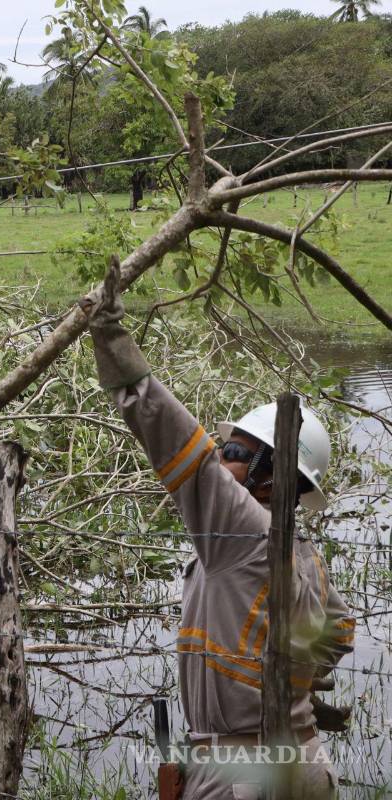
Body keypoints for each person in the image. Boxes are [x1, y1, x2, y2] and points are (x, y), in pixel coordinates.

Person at [82, 258, 355, 800]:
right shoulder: (302, 553)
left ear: (273, 477)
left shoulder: (243, 530)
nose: (223, 460)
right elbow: (341, 629)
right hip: (302, 760)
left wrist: (111, 339)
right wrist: (292, 686)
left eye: (235, 452)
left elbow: (172, 436)